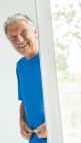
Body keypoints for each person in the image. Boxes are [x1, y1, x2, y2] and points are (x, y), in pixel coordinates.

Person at [4, 13, 47, 143]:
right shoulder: (20, 66)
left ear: (35, 31)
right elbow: (24, 100)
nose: (20, 40)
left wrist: (53, 124)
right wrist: (21, 121)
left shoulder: (50, 60)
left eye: (23, 32)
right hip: (34, 138)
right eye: (13, 37)